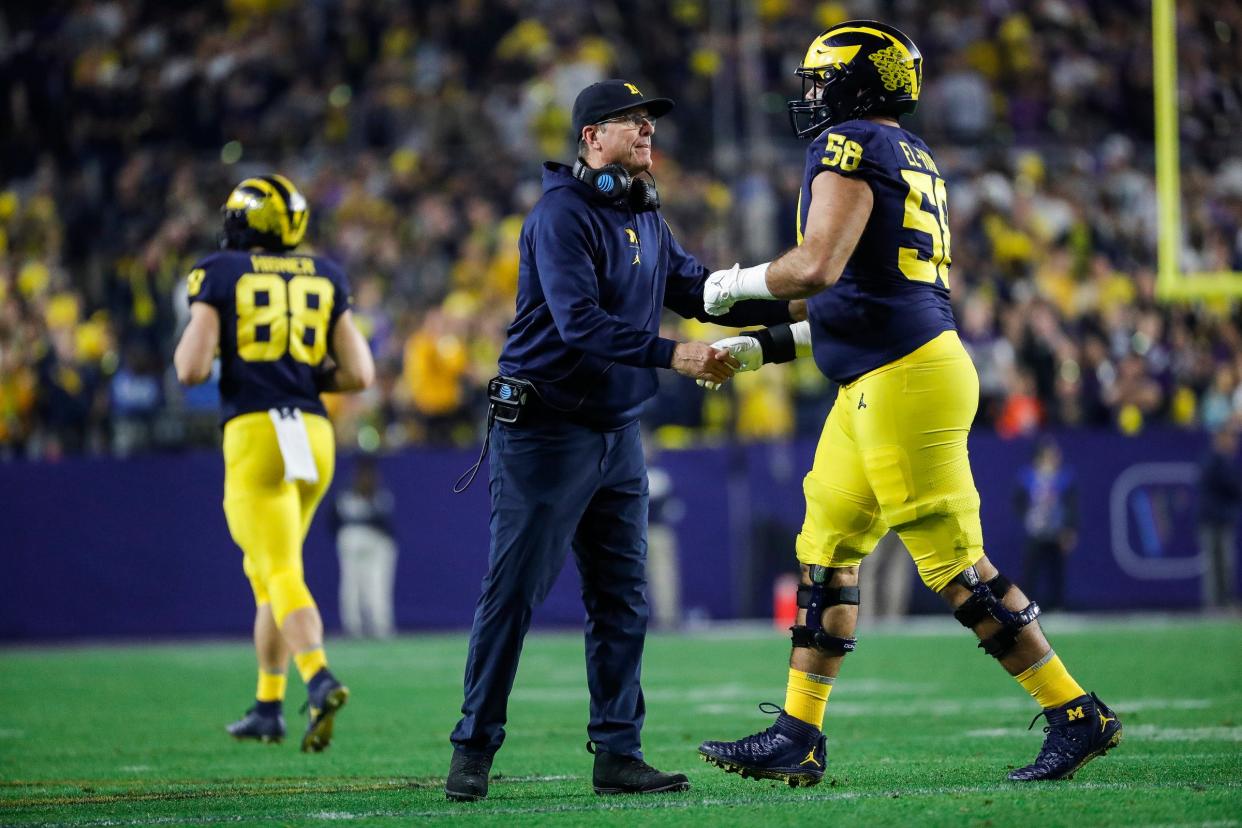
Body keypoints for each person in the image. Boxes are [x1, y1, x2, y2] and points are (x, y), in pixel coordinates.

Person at [693, 21, 1121, 785]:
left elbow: (816, 268)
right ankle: (799, 731)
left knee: (955, 565)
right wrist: (762, 348)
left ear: (862, 84)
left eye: (822, 80)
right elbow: (860, 300)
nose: (812, 95)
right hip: (881, 371)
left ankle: (1074, 711)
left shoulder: (847, 144)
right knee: (825, 553)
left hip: (904, 375)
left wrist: (725, 289)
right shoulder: (906, 153)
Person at [445, 79, 805, 802]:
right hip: (546, 433)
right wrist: (676, 356)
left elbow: (702, 292)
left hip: (615, 433)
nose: (646, 131)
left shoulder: (643, 214)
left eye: (649, 122)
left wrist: (801, 299)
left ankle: (617, 752)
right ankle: (473, 748)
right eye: (629, 122)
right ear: (589, 138)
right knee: (513, 594)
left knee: (622, 601)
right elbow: (578, 322)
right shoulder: (561, 215)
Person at [174, 174, 375, 751]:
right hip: (314, 433)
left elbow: (189, 369)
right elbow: (360, 375)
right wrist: (303, 375)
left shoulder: (220, 271)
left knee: (280, 570)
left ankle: (318, 677)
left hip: (257, 432)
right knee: (272, 574)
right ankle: (268, 703)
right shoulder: (326, 273)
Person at [332, 454, 398, 638]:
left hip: (377, 545)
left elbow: (386, 526)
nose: (366, 477)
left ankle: (381, 627)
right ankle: (353, 628)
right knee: (351, 587)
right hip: (351, 545)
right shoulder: (344, 494)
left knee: (377, 587)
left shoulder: (380, 494)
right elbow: (333, 522)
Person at [1014, 437, 1078, 610]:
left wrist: (1069, 529)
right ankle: (1027, 605)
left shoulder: (1063, 477)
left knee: (1056, 570)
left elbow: (1071, 506)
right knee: (1031, 570)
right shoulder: (1028, 476)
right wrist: (1027, 517)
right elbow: (1018, 501)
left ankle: (1057, 605)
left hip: (1056, 529)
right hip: (1036, 529)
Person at [1198, 426, 1240, 609]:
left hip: (1220, 519)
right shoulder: (1214, 461)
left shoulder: (1223, 462)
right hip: (1211, 519)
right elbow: (1230, 486)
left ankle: (1223, 600)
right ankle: (1215, 603)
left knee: (1224, 564)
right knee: (1215, 564)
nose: (1233, 443)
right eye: (1229, 438)